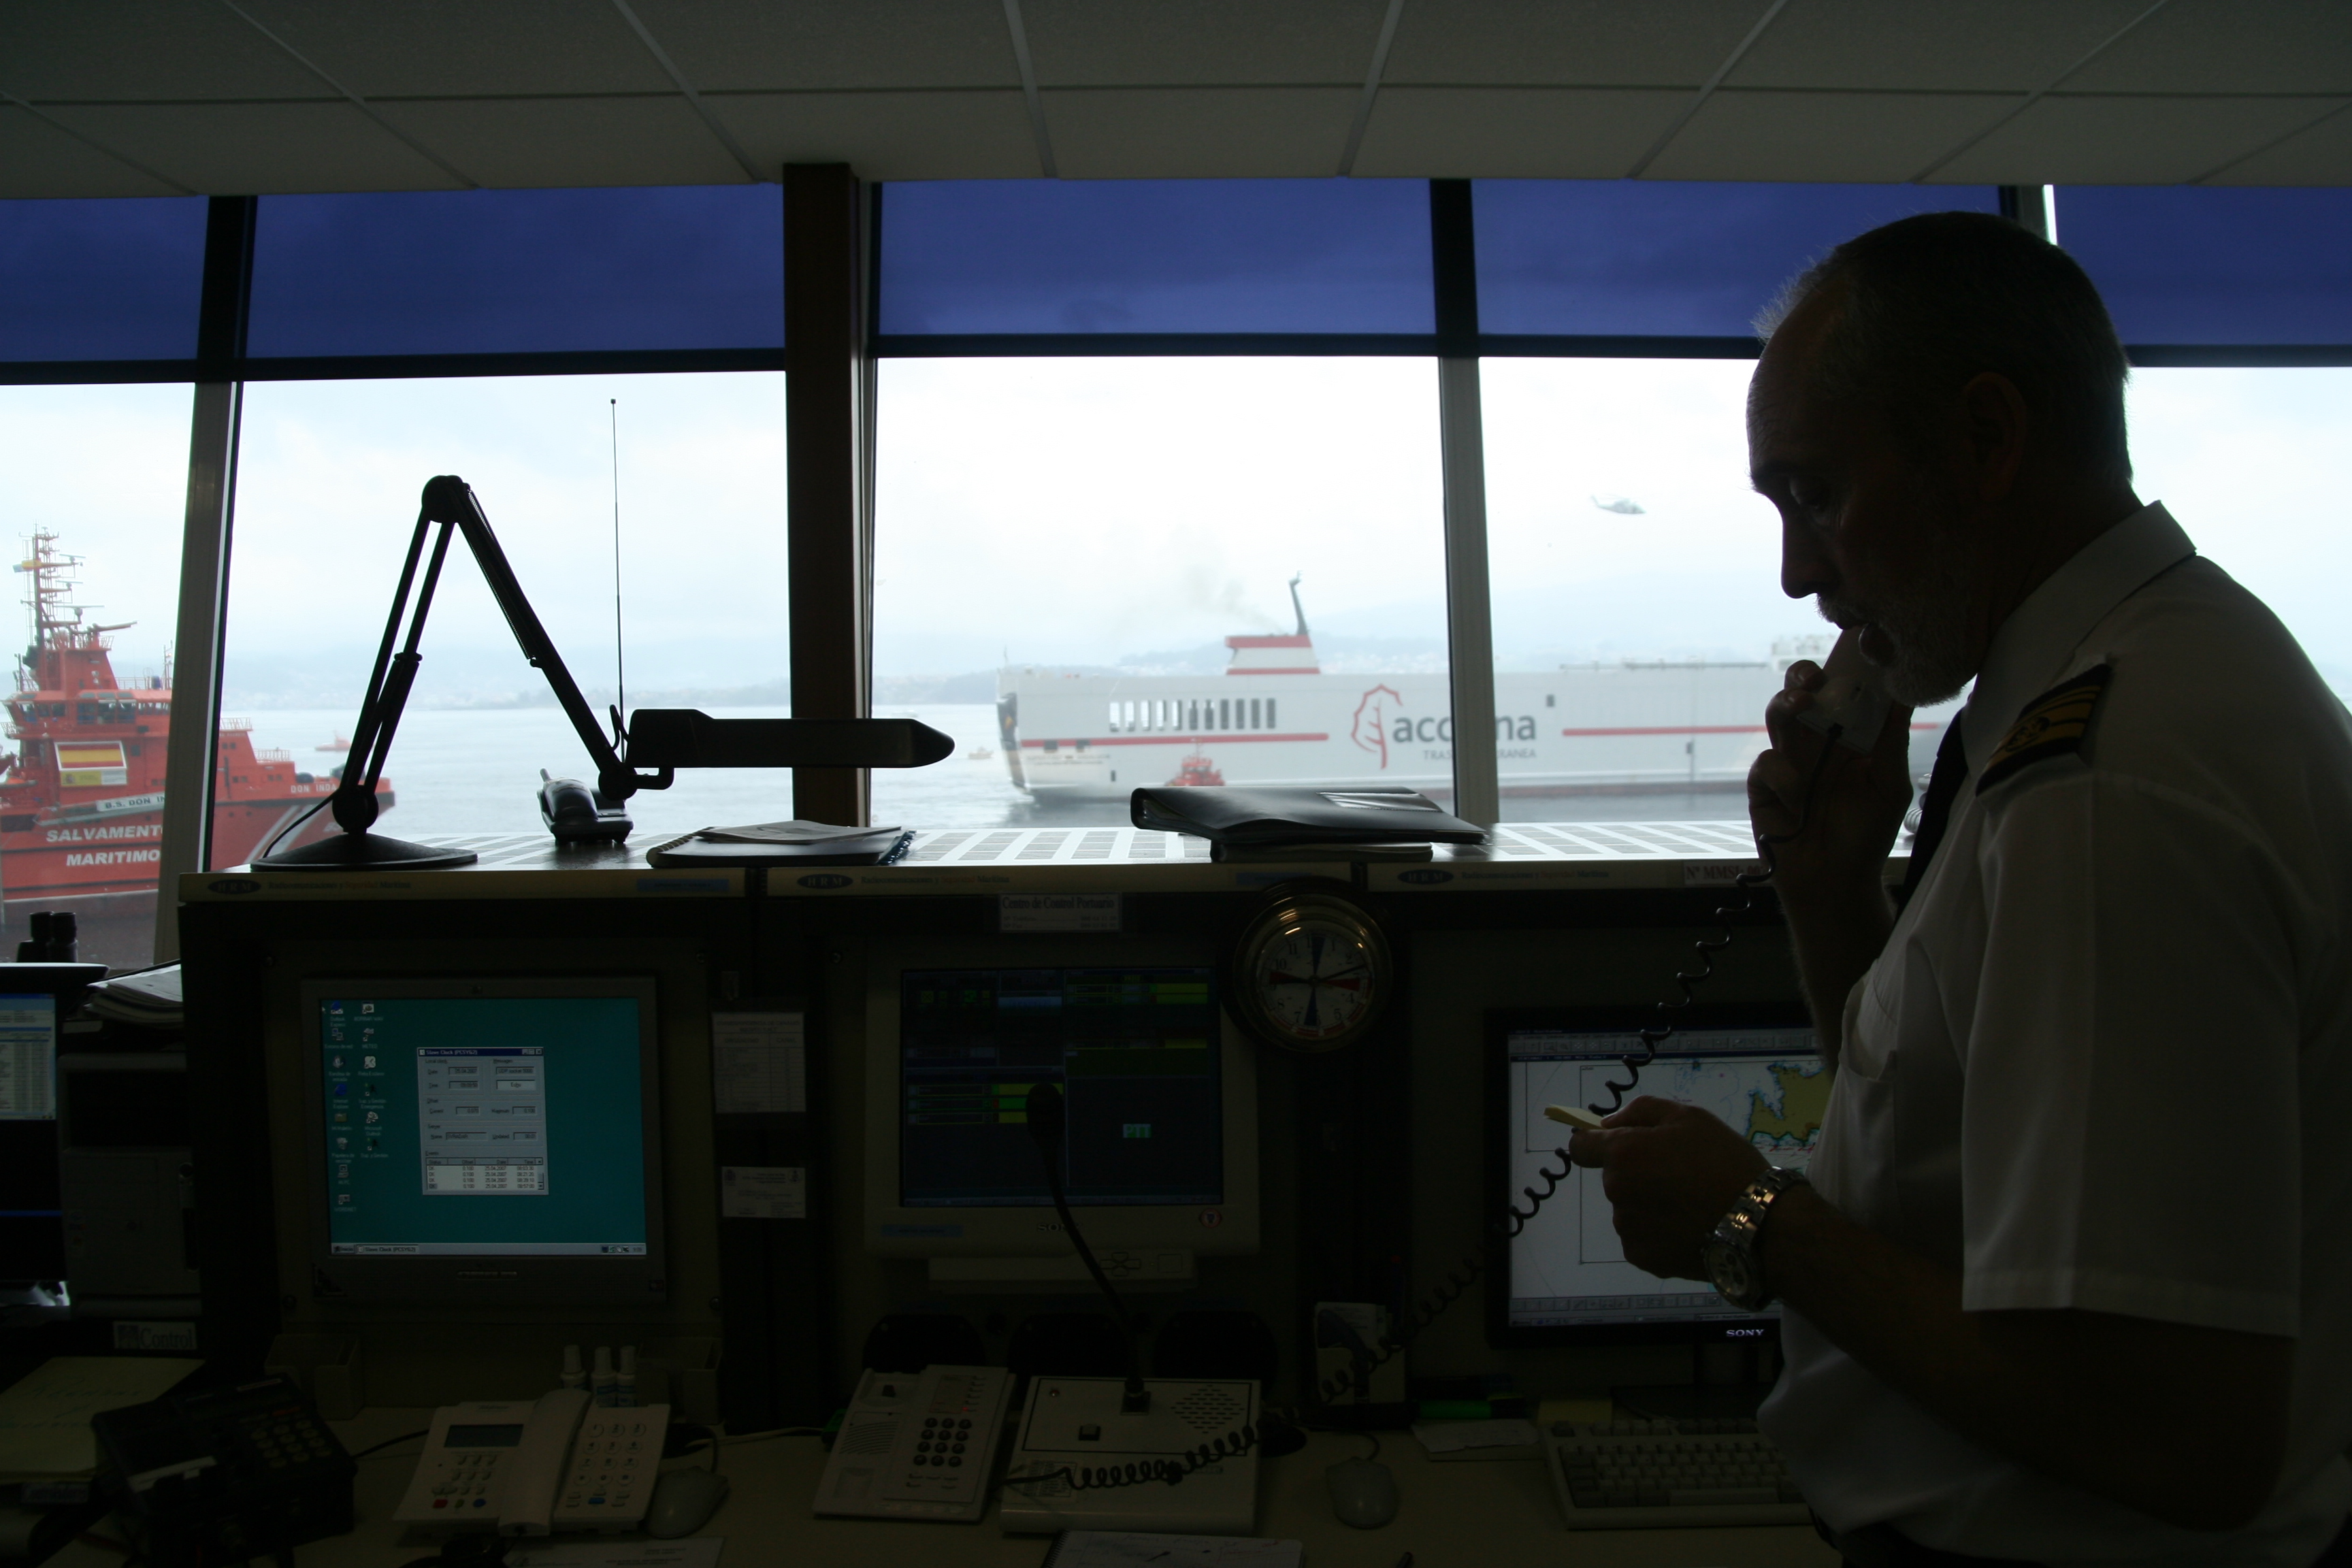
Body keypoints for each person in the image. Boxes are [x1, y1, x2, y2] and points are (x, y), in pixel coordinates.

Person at [1567, 210, 2352, 1567]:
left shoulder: (2110, 781)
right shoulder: (2112, 684)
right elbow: (1952, 1168)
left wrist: (1754, 1224)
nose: (1800, 573)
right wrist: (1828, 893)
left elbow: (2179, 1431)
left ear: (1986, 441)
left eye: (1817, 495)